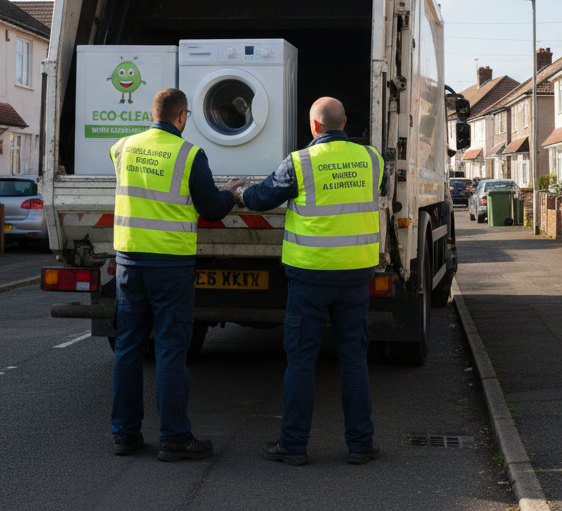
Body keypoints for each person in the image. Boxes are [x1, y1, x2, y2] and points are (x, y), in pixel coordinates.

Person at [235, 97, 384, 466]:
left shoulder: (301, 162)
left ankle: (294, 445)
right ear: (344, 122)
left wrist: (238, 192)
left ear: (314, 126)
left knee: (301, 361)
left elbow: (262, 198)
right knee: (353, 361)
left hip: (311, 277)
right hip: (355, 275)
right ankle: (360, 445)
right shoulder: (372, 159)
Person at [109, 88, 243, 461]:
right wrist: (230, 193)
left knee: (128, 349)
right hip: (170, 265)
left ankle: (124, 435)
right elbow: (212, 209)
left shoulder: (123, 148)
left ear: (153, 113)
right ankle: (174, 438)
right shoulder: (189, 155)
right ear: (182, 116)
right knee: (170, 350)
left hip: (129, 262)